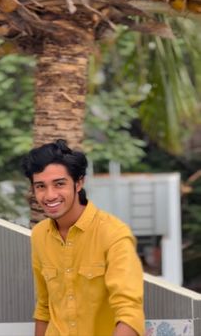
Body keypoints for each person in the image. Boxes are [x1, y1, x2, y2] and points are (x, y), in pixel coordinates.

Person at [22, 139, 145, 336]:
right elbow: (44, 308)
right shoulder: (39, 235)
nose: (50, 195)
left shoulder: (113, 233)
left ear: (79, 183)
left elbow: (129, 312)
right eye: (41, 186)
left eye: (59, 184)